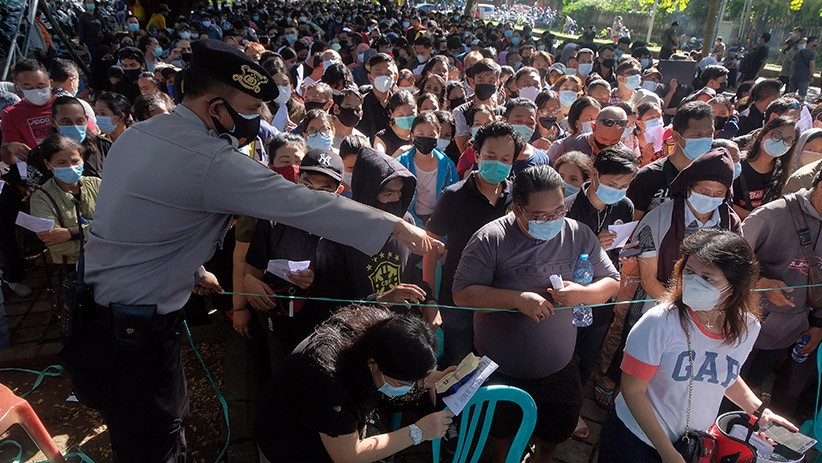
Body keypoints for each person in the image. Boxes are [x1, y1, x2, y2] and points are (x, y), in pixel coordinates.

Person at [61, 39, 440, 462]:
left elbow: (142, 224)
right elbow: (301, 203)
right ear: (215, 106)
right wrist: (395, 226)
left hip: (95, 316)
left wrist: (191, 269)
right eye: (250, 108)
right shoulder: (208, 159)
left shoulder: (140, 135)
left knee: (145, 429)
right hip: (133, 334)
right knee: (154, 443)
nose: (257, 119)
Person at [453, 164, 620, 463]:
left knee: (555, 430)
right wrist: (515, 299)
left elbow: (611, 282)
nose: (552, 221)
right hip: (500, 366)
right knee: (500, 429)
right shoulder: (491, 238)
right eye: (540, 216)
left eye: (558, 211)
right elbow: (462, 294)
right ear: (517, 210)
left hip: (558, 364)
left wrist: (583, 294)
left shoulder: (578, 234)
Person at [598, 229, 797, 463]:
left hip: (691, 445)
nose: (693, 282)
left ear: (735, 286)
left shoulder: (749, 327)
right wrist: (667, 452)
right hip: (636, 440)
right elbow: (632, 391)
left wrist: (759, 412)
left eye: (707, 277)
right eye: (690, 272)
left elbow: (723, 374)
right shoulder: (658, 322)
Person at [254, 304, 454, 463]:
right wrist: (417, 432)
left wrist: (426, 378)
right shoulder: (332, 379)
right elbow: (349, 456)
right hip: (289, 439)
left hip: (318, 421)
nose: (410, 386)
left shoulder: (378, 329)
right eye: (404, 381)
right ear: (374, 363)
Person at [424, 121, 522, 367]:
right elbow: (430, 246)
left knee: (493, 365)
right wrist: (430, 299)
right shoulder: (454, 196)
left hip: (501, 300)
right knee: (458, 368)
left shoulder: (517, 197)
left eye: (505, 159)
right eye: (490, 156)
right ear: (477, 155)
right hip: (458, 301)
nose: (497, 163)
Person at [240, 148, 344, 356]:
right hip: (281, 324)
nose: (313, 194)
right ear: (296, 179)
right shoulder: (273, 218)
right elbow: (252, 269)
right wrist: (250, 282)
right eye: (307, 185)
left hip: (327, 331)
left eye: (324, 190)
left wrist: (316, 280)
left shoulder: (345, 227)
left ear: (338, 191)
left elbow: (349, 286)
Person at [741, 167, 822, 418]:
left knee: (751, 390)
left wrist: (818, 323)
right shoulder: (772, 215)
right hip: (743, 325)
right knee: (725, 387)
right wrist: (761, 281)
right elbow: (728, 260)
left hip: (786, 333)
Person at [627, 101, 714, 220]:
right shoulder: (648, 176)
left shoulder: (713, 174)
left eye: (709, 134)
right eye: (697, 134)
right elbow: (632, 223)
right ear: (676, 136)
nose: (705, 139)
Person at [29, 135, 101, 266]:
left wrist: (71, 233)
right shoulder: (41, 198)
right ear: (48, 164)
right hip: (73, 265)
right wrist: (99, 238)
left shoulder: (97, 184)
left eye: (75, 161)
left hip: (110, 258)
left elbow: (116, 224)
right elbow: (55, 244)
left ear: (82, 158)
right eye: (62, 163)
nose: (70, 167)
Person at [396, 112, 459, 226]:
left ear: (438, 135)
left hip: (440, 223)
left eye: (431, 134)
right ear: (412, 135)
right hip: (408, 222)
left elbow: (454, 199)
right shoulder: (401, 164)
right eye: (420, 134)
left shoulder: (448, 166)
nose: (426, 138)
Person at [732, 117, 798, 220]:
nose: (781, 142)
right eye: (776, 135)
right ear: (762, 134)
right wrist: (754, 218)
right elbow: (723, 200)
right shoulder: (737, 165)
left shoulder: (780, 172)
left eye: (788, 140)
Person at [547, 106, 629, 162]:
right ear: (593, 127)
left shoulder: (624, 156)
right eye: (603, 139)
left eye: (614, 141)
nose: (607, 143)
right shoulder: (569, 146)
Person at [356, 53, 398, 143]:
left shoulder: (400, 103)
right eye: (378, 73)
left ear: (394, 77)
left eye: (388, 74)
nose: (384, 77)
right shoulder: (361, 104)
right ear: (370, 77)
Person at [374, 91, 417, 158]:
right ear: (392, 114)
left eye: (410, 114)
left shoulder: (422, 133)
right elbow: (380, 162)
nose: (406, 118)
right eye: (401, 115)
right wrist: (399, 154)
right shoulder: (382, 138)